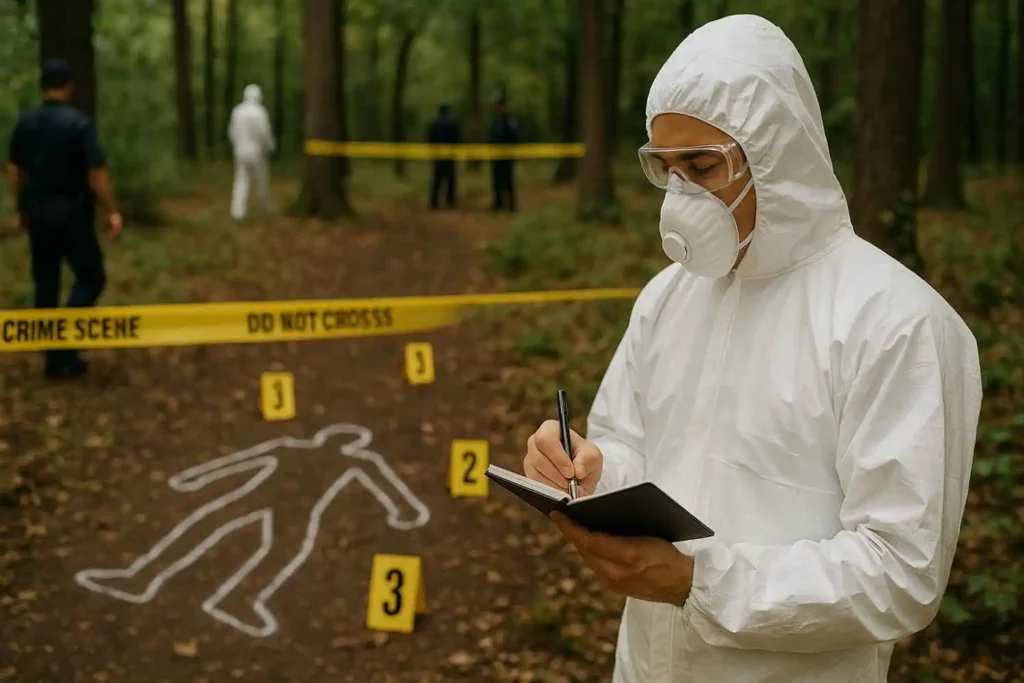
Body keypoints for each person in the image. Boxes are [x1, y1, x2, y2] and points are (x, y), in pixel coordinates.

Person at [522, 15, 981, 683]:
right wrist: (590, 472)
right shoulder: (667, 297)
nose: (680, 194)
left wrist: (697, 581)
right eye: (666, 168)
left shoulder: (895, 321)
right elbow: (632, 446)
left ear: (776, 154)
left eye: (701, 166)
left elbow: (900, 571)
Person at [6, 58, 122, 380]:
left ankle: (53, 358)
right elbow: (95, 172)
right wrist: (110, 210)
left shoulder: (26, 124)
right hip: (72, 214)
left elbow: (14, 169)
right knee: (91, 277)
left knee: (45, 283)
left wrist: (21, 208)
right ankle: (65, 347)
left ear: (43, 86)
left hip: (39, 213)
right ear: (68, 86)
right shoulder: (78, 124)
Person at [228, 84, 275, 222]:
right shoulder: (260, 112)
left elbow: (232, 131)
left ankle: (237, 212)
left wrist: (236, 145)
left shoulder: (237, 111)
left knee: (241, 180)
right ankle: (264, 209)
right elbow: (264, 133)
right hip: (257, 151)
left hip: (240, 151)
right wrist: (269, 147)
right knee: (262, 180)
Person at [488, 91, 518, 211]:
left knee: (508, 181)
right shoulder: (495, 121)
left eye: (498, 105)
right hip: (496, 156)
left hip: (507, 156)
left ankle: (511, 206)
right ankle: (498, 204)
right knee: (496, 181)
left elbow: (514, 137)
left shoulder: (510, 120)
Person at [427, 103, 461, 209]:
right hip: (450, 155)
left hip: (438, 155)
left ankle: (434, 202)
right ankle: (450, 201)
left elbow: (430, 137)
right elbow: (457, 138)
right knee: (450, 179)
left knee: (437, 179)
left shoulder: (435, 123)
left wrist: (432, 151)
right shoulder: (452, 123)